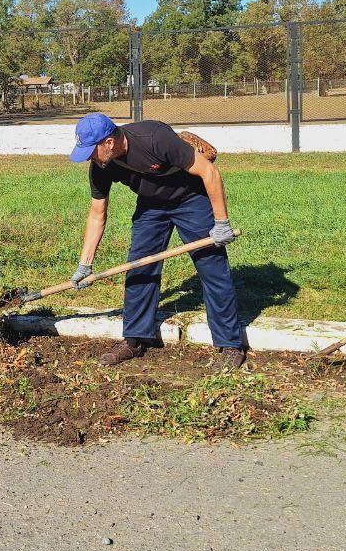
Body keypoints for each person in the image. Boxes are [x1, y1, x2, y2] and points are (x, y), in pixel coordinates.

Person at [68, 113, 247, 371]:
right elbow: (97, 214)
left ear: (109, 142)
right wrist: (85, 265)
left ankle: (230, 344)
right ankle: (135, 338)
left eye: (91, 151)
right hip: (151, 206)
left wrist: (221, 223)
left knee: (211, 265)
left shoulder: (153, 137)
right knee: (139, 266)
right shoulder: (101, 166)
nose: (89, 157)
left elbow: (209, 172)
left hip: (190, 199)